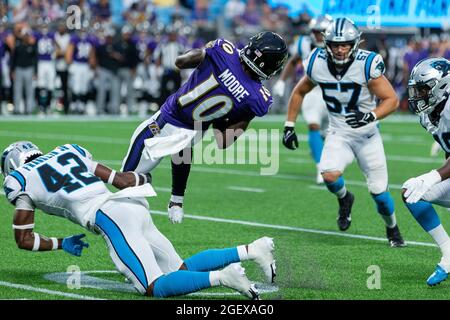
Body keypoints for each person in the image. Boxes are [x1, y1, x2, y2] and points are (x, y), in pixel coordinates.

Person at [1, 141, 276, 298]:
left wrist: (61, 243)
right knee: (179, 269)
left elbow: (23, 239)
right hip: (133, 203)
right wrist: (142, 178)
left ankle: (223, 277)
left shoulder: (20, 179)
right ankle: (252, 250)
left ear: (12, 166)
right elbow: (122, 180)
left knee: (153, 287)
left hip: (109, 216)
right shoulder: (67, 151)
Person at [121, 31, 288, 224]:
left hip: (166, 121)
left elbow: (180, 62)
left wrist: (205, 53)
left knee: (125, 180)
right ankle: (176, 201)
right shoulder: (259, 98)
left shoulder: (224, 50)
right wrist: (229, 115)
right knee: (183, 147)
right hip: (195, 131)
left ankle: (145, 186)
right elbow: (223, 141)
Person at [282, 18, 405, 247]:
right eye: (336, 44)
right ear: (327, 44)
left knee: (380, 195)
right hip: (338, 132)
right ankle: (345, 198)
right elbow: (299, 92)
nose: (340, 49)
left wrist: (370, 116)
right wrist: (289, 126)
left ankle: (392, 228)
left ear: (355, 44)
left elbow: (392, 100)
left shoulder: (367, 63)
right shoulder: (316, 62)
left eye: (345, 44)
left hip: (367, 135)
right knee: (329, 175)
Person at [402, 57, 450, 286]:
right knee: (412, 192)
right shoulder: (430, 113)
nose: (418, 95)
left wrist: (434, 175)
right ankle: (449, 253)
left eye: (423, 89)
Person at [274, 14, 333, 184]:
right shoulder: (304, 43)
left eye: (321, 32)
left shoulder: (338, 45)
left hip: (332, 93)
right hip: (311, 91)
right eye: (315, 32)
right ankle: (320, 167)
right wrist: (282, 81)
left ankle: (320, 153)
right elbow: (293, 61)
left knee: (328, 133)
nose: (317, 35)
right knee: (313, 124)